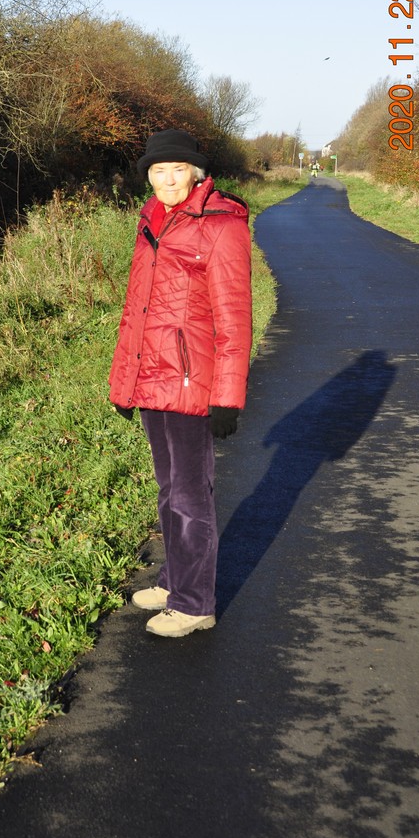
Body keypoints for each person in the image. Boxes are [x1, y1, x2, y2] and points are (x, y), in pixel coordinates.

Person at [109, 129, 253, 637]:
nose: (168, 180)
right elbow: (138, 310)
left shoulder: (221, 225)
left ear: (195, 173)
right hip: (152, 378)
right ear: (147, 176)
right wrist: (123, 383)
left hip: (194, 382)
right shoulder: (152, 219)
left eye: (177, 170)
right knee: (169, 490)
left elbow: (234, 316)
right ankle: (175, 582)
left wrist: (227, 398)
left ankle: (194, 604)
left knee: (191, 496)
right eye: (158, 171)